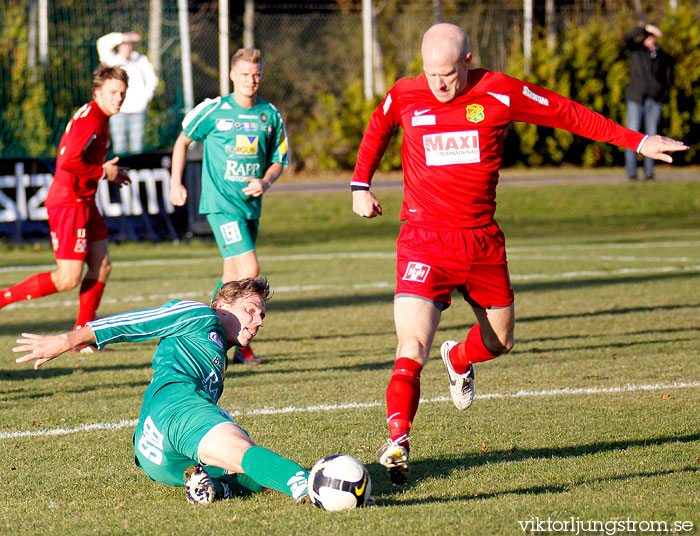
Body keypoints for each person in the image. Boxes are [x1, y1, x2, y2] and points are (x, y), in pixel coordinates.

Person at [351, 23, 688, 486]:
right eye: (431, 74)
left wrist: (637, 140)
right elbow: (378, 127)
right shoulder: (406, 94)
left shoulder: (500, 92)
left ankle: (461, 360)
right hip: (423, 240)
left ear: (468, 61)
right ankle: (397, 440)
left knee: (500, 341)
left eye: (448, 74)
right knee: (411, 346)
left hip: (482, 243)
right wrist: (359, 184)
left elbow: (568, 114)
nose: (439, 85)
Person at [13, 277, 312, 505]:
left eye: (261, 316)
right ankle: (309, 483)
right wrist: (70, 338)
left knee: (252, 478)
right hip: (176, 406)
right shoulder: (200, 315)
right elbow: (135, 323)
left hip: (154, 453)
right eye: (250, 310)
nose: (258, 320)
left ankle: (214, 486)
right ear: (222, 306)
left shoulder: (216, 353)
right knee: (243, 452)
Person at [169, 47, 289, 366]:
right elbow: (182, 141)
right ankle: (232, 338)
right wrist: (175, 182)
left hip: (250, 207)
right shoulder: (215, 110)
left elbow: (280, 159)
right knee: (249, 270)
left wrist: (264, 182)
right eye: (246, 74)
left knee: (232, 275)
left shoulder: (269, 114)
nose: (252, 80)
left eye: (257, 74)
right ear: (233, 75)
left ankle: (215, 333)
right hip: (222, 203)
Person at [0, 65, 131, 348]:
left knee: (103, 265)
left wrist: (106, 172)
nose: (118, 98)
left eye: (122, 93)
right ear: (98, 92)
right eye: (113, 93)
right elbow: (67, 162)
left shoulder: (101, 118)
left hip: (85, 200)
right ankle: (2, 298)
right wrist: (101, 173)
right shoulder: (92, 120)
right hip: (69, 203)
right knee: (67, 278)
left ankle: (82, 336)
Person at [623, 24, 674, 181]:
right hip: (636, 99)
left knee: (652, 136)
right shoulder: (637, 51)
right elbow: (627, 37)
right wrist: (644, 28)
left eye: (652, 37)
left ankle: (649, 171)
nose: (650, 40)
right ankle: (632, 172)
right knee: (632, 134)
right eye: (647, 37)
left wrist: (662, 96)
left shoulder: (662, 56)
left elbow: (668, 79)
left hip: (654, 101)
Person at [97, 31, 159, 154]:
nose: (127, 47)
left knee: (137, 149)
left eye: (129, 44)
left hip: (138, 111)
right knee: (120, 148)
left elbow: (152, 80)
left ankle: (136, 173)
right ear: (119, 46)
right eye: (124, 44)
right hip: (118, 111)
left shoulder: (141, 60)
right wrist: (124, 36)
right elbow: (102, 43)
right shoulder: (113, 60)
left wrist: (144, 99)